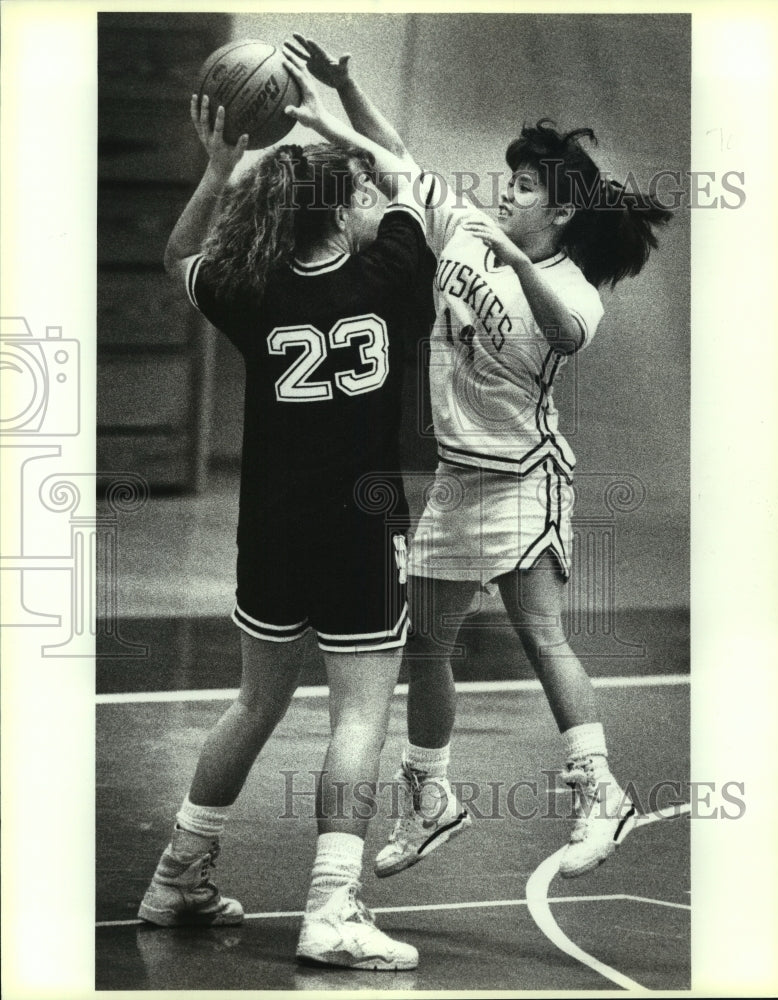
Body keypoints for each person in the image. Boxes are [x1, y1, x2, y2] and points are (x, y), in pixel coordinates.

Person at [286, 35, 672, 881]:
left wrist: (512, 265)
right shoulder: (465, 230)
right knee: (425, 643)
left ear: (560, 212)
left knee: (541, 636)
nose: (508, 194)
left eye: (525, 188)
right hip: (460, 480)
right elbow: (397, 160)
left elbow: (566, 336)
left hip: (525, 479)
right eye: (511, 182)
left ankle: (598, 791)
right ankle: (430, 796)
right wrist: (343, 97)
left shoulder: (569, 289)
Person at [137, 59, 433, 970]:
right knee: (357, 720)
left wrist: (219, 168)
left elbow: (179, 256)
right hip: (359, 525)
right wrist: (345, 121)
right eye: (349, 196)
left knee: (255, 701)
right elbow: (412, 180)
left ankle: (178, 877)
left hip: (269, 525)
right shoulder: (389, 273)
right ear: (342, 209)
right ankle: (331, 909)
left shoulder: (251, 288)